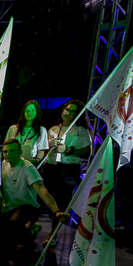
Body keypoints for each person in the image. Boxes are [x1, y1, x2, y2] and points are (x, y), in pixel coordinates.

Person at [0, 139, 68, 266]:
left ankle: (32, 247)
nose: (7, 154)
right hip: (9, 207)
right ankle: (31, 231)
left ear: (19, 152)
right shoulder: (3, 164)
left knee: (14, 222)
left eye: (12, 151)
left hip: (28, 206)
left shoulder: (28, 168)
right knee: (4, 237)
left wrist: (56, 211)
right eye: (5, 151)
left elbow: (43, 191)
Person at [43, 99, 92, 245]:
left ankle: (53, 234)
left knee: (61, 201)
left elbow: (87, 152)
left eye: (72, 111)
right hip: (51, 166)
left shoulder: (80, 130)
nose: (68, 113)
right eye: (67, 109)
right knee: (44, 197)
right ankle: (31, 226)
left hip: (68, 168)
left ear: (77, 115)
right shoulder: (53, 129)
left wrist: (69, 150)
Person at [5, 100, 49, 165]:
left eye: (33, 110)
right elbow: (6, 146)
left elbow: (41, 150)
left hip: (30, 162)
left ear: (37, 112)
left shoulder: (41, 130)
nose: (29, 112)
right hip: (13, 162)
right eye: (27, 110)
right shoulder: (13, 128)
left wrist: (36, 160)